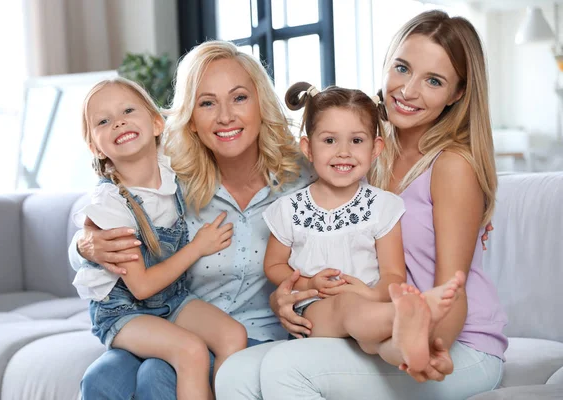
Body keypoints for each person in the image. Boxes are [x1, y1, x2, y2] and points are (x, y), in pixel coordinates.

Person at [214, 10, 508, 400]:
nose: (408, 90)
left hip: (455, 344)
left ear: (457, 94)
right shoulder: (362, 152)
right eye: (402, 68)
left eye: (433, 80)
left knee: (288, 368)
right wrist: (285, 297)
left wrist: (427, 348)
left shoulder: (451, 166)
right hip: (368, 324)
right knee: (234, 373)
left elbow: (451, 290)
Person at [68, 40, 321, 399]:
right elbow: (109, 210)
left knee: (157, 374)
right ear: (190, 117)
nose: (225, 116)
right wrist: (83, 246)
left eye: (239, 98)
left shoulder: (302, 180)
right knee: (102, 378)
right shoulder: (171, 178)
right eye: (207, 103)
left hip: (258, 334)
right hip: (170, 321)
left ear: (261, 104)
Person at [262, 81, 465, 372]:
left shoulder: (383, 206)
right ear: (307, 147)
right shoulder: (289, 209)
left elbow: (393, 274)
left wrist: (370, 295)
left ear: (375, 148)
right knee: (346, 306)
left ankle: (416, 354)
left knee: (375, 338)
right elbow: (273, 265)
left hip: (368, 311)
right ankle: (411, 314)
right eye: (329, 141)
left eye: (356, 141)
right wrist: (308, 283)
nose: (343, 152)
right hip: (315, 312)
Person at [73, 77, 247, 399]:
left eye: (127, 110)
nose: (119, 122)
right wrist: (197, 248)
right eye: (103, 121)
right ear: (96, 147)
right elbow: (140, 287)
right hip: (125, 313)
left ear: (156, 123)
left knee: (233, 335)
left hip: (172, 299)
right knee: (190, 350)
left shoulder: (171, 171)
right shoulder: (110, 205)